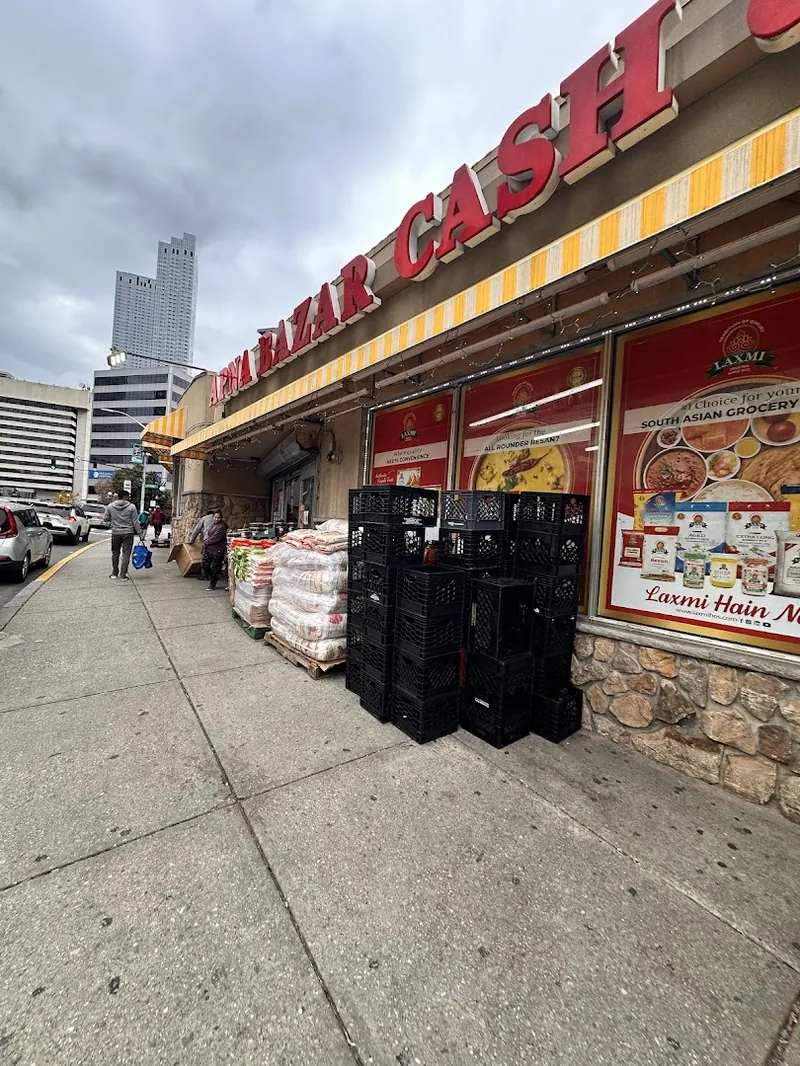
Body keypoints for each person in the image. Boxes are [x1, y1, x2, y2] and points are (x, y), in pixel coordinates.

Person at [103, 491, 143, 581]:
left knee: (115, 553)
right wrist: (140, 534)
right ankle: (123, 575)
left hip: (116, 533)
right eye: (128, 496)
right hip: (128, 533)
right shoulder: (132, 507)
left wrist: (113, 522)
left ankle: (114, 573)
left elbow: (105, 519)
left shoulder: (110, 506)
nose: (129, 498)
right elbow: (135, 522)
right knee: (126, 554)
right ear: (125, 497)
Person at [202, 511, 228, 591]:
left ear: (221, 518)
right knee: (205, 565)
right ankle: (215, 577)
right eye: (215, 517)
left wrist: (206, 542)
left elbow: (216, 537)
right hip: (209, 548)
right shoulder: (213, 525)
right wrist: (206, 541)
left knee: (215, 567)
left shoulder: (221, 527)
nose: (216, 519)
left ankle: (213, 583)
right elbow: (209, 535)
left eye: (218, 517)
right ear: (213, 517)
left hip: (218, 550)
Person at [188, 509, 216, 580]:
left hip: (207, 540)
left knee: (204, 558)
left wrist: (191, 540)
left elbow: (197, 530)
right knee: (214, 558)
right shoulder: (217, 519)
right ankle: (214, 574)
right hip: (216, 541)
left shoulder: (204, 518)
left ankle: (205, 575)